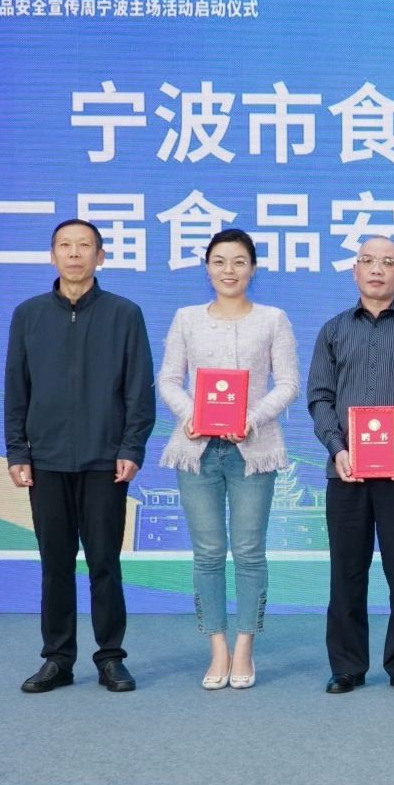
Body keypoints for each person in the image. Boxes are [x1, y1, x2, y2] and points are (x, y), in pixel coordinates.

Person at [4, 218, 154, 694]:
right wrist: (17, 450)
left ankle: (110, 657)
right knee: (55, 564)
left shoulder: (124, 314)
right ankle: (57, 658)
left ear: (100, 256)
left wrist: (131, 447)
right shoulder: (28, 315)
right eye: (65, 246)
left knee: (105, 563)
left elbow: (139, 389)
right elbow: (16, 388)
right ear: (52, 256)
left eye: (84, 246)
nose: (74, 254)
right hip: (45, 461)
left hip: (105, 462)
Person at [156, 227, 299, 691]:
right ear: (207, 269)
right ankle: (217, 647)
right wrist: (191, 415)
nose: (229, 270)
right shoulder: (186, 319)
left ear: (253, 269)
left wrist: (251, 419)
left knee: (250, 551)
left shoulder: (273, 319)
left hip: (252, 450)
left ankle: (245, 645)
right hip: (197, 449)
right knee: (208, 552)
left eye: (239, 261)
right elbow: (169, 380)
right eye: (219, 261)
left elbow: (288, 383)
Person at [307, 236, 394, 696]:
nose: (376, 269)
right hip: (346, 471)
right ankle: (347, 666)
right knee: (346, 573)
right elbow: (319, 397)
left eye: (388, 262)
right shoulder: (332, 331)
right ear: (354, 270)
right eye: (367, 261)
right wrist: (337, 448)